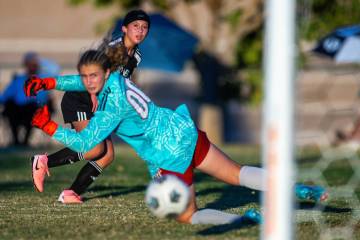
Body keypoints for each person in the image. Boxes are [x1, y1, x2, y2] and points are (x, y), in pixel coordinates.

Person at [25, 49, 328, 225]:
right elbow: (82, 80)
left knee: (187, 216)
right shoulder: (116, 78)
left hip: (168, 154)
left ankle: (242, 220)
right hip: (183, 129)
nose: (87, 82)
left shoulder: (109, 111)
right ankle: (298, 189)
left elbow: (83, 145)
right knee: (236, 173)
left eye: (91, 78)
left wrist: (48, 126)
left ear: (102, 75)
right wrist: (48, 82)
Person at [26, 9, 150, 203]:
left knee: (107, 155)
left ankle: (70, 194)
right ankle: (42, 162)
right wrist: (93, 93)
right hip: (80, 99)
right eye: (136, 26)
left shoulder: (137, 56)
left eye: (144, 27)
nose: (140, 31)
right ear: (125, 28)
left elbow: (118, 82)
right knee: (94, 148)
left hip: (99, 106)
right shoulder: (113, 48)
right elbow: (91, 71)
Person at [0, 52, 53, 146]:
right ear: (26, 65)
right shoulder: (18, 80)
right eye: (30, 64)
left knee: (32, 108)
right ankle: (16, 140)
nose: (32, 67)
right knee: (10, 107)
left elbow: (44, 99)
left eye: (34, 64)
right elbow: (5, 96)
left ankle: (25, 141)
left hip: (34, 110)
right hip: (17, 110)